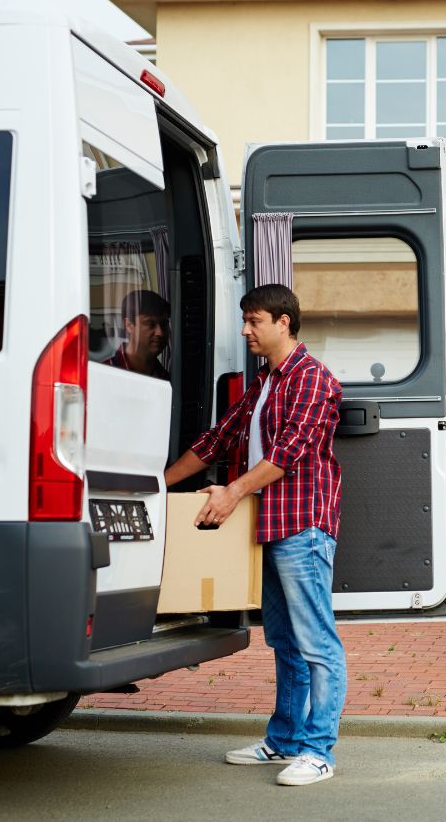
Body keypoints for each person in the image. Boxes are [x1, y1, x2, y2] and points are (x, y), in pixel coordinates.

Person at [162, 283, 347, 786]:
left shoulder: (312, 379)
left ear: (284, 322)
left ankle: (319, 751)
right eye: (245, 321)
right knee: (285, 641)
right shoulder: (265, 381)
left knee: (316, 642)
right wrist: (155, 486)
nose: (245, 330)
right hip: (268, 528)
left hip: (302, 526)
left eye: (255, 321)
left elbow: (289, 453)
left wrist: (232, 492)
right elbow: (216, 439)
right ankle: (284, 742)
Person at [106, 288, 170, 380]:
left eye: (164, 324)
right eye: (150, 324)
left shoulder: (169, 381)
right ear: (128, 325)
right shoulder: (103, 375)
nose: (160, 332)